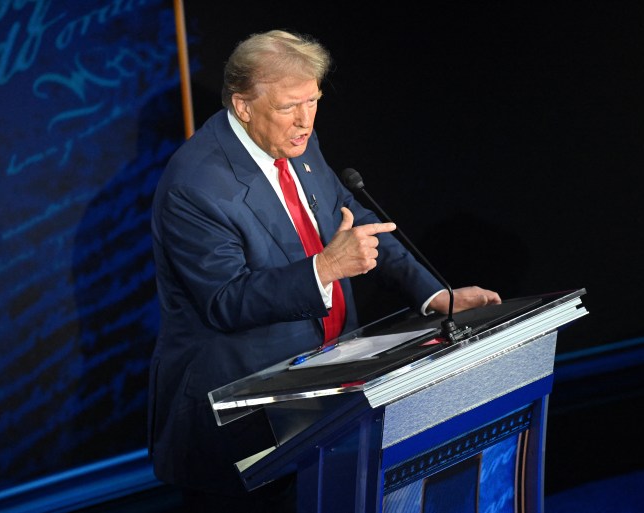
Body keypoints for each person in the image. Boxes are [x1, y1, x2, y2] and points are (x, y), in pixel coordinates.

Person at [147, 29, 501, 512]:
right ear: (243, 106)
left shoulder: (295, 139)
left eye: (313, 102)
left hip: (330, 397)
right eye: (290, 106)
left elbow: (351, 215)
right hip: (244, 417)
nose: (305, 121)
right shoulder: (195, 186)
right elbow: (225, 301)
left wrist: (435, 294)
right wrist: (324, 268)